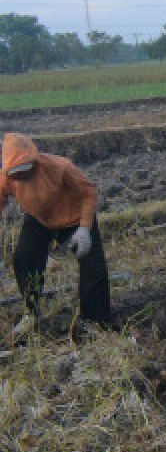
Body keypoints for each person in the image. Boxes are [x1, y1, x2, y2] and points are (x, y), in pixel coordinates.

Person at [1, 133, 111, 336]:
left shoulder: (60, 167)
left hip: (74, 219)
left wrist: (85, 229)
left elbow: (88, 192)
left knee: (93, 269)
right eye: (16, 174)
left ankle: (96, 321)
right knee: (25, 260)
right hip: (39, 220)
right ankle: (32, 312)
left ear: (35, 162)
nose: (22, 177)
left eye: (26, 171)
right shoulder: (7, 178)